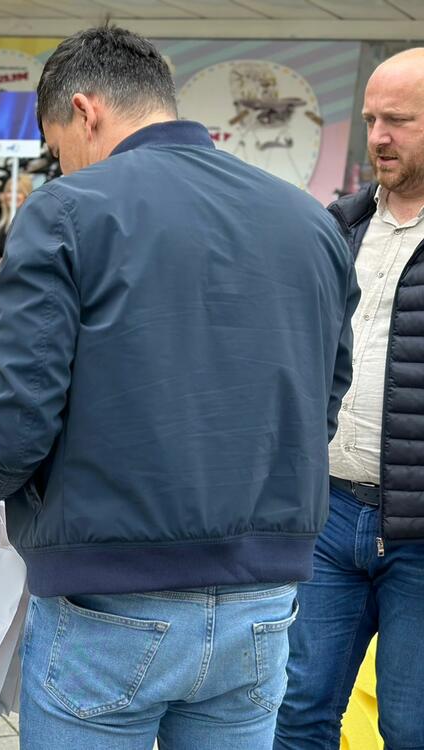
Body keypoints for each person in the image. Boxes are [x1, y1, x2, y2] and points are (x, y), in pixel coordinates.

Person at [0, 26, 358, 750]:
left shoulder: (64, 212)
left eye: (57, 146)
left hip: (109, 599)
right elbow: (325, 395)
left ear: (85, 110)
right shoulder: (310, 221)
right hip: (262, 599)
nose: (61, 164)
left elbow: (22, 405)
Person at [275, 48, 424, 750]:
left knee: (410, 726)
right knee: (297, 713)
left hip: (420, 534)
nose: (378, 137)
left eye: (398, 120)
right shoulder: (338, 225)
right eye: (369, 120)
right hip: (329, 513)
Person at [0, 172, 32, 267]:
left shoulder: (30, 221)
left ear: (26, 195)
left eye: (18, 192)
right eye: (9, 191)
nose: (12, 196)